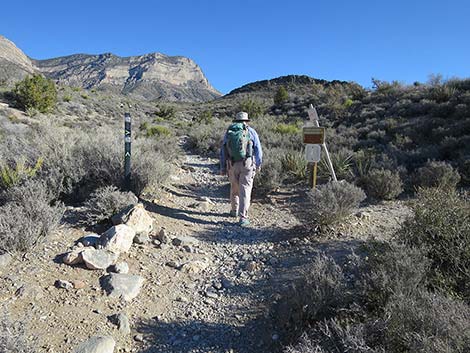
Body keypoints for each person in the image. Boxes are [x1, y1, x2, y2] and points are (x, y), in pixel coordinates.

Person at [220, 111, 263, 226]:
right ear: (246, 121)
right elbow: (258, 149)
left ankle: (234, 210)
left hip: (232, 164)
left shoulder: (229, 132)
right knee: (245, 189)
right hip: (247, 164)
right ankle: (243, 217)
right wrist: (258, 164)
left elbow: (223, 150)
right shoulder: (251, 131)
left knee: (234, 187)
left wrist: (223, 166)